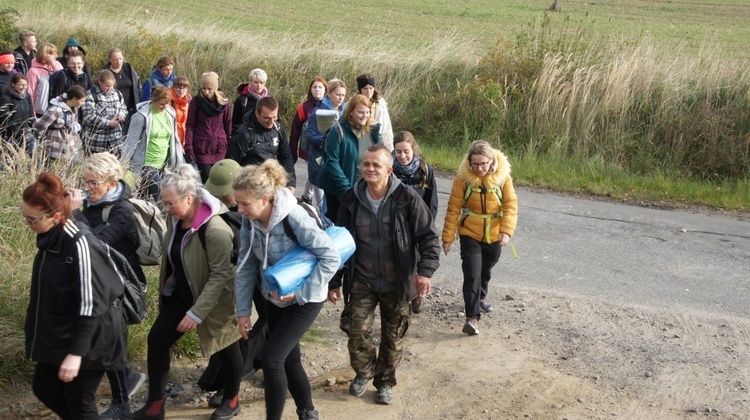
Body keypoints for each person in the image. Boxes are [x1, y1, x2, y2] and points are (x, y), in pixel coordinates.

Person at [328, 144, 440, 405]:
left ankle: (385, 383)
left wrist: (424, 272)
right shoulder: (350, 199)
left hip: (397, 282)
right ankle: (364, 372)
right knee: (355, 329)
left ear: (389, 170)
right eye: (366, 164)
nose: (369, 169)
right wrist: (333, 280)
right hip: (362, 279)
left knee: (393, 336)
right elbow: (337, 244)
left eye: (376, 165)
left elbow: (429, 238)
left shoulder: (408, 199)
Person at [131, 164, 242, 420]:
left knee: (226, 345)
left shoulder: (214, 229)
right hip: (183, 294)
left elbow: (221, 275)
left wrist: (197, 312)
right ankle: (155, 406)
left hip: (220, 298)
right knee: (157, 340)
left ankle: (232, 399)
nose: (166, 209)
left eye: (171, 204)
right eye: (164, 203)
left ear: (189, 198)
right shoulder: (176, 220)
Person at [234, 159, 340, 420]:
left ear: (265, 198)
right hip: (274, 295)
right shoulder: (250, 220)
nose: (239, 209)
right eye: (238, 202)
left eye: (244, 203)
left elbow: (331, 257)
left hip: (306, 299)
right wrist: (243, 310)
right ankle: (307, 411)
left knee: (271, 358)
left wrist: (302, 293)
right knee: (289, 358)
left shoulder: (295, 218)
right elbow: (246, 266)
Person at [22, 172, 127, 419]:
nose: (28, 224)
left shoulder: (79, 243)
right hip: (64, 331)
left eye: (32, 219)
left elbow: (93, 304)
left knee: (79, 401)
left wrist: (76, 354)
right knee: (45, 389)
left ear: (56, 216)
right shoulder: (49, 238)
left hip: (94, 334)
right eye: (25, 216)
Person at [67, 152, 147, 418]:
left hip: (123, 288)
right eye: (85, 182)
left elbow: (95, 246)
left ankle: (122, 400)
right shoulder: (94, 204)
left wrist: (76, 213)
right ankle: (124, 391)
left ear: (112, 182)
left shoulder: (122, 210)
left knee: (110, 342)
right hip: (103, 285)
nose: (88, 188)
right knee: (108, 342)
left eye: (93, 183)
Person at [199, 158, 267, 408]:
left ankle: (234, 380)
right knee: (242, 330)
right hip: (246, 277)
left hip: (265, 277)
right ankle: (228, 379)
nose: (228, 200)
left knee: (255, 329)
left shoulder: (251, 207)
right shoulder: (226, 213)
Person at [441, 140, 518, 335]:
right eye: (475, 164)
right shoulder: (462, 179)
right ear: (469, 163)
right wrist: (448, 238)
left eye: (483, 163)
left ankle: (482, 296)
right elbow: (453, 209)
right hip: (470, 233)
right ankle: (472, 318)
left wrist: (506, 231)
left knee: (487, 266)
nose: (480, 168)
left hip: (494, 233)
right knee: (472, 273)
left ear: (492, 161)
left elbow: (510, 205)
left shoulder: (503, 178)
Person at [391, 131, 438, 314]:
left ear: (413, 150)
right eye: (398, 152)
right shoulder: (390, 171)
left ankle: (419, 295)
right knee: (401, 264)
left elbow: (431, 203)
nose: (402, 156)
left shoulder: (425, 171)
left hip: (419, 226)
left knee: (419, 262)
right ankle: (402, 299)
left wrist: (427, 226)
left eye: (406, 151)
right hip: (396, 226)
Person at [316, 93, 381, 221]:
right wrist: (347, 190)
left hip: (363, 188)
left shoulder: (372, 131)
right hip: (338, 190)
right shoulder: (337, 131)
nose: (365, 116)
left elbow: (379, 157)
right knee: (339, 225)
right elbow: (332, 163)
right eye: (361, 112)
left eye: (367, 112)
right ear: (351, 112)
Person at [122, 86, 184, 202]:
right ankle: (167, 218)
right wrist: (124, 163)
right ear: (153, 101)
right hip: (147, 164)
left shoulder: (170, 113)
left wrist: (179, 156)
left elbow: (174, 138)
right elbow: (130, 141)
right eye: (161, 104)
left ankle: (141, 217)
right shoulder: (141, 116)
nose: (164, 107)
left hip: (163, 164)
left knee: (142, 198)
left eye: (166, 104)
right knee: (162, 197)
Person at [227, 96, 296, 191]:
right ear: (257, 114)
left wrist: (291, 183)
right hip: (250, 184)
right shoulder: (243, 135)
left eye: (274, 117)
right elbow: (232, 164)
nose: (271, 122)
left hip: (271, 181)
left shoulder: (278, 129)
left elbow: (286, 156)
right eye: (267, 118)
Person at [184, 71, 232, 183]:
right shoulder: (196, 102)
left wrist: (230, 145)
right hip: (202, 148)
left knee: (219, 182)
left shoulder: (225, 104)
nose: (206, 92)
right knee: (207, 182)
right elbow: (190, 125)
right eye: (204, 88)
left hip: (220, 148)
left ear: (215, 88)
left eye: (209, 89)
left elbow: (228, 124)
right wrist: (189, 146)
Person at [32, 85, 86, 164]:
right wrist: (40, 139)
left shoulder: (74, 109)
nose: (83, 103)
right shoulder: (56, 110)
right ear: (74, 99)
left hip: (68, 151)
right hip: (53, 151)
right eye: (82, 101)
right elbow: (39, 125)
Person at [81, 69, 127, 156]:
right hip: (96, 143)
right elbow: (88, 117)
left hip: (115, 142)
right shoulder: (91, 95)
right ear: (99, 82)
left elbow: (123, 107)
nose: (109, 88)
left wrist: (121, 115)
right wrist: (108, 123)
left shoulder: (117, 94)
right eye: (107, 86)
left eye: (112, 86)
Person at [289, 76, 327, 163]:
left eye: (320, 87)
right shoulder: (303, 107)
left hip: (327, 150)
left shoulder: (331, 106)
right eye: (314, 87)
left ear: (325, 90)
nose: (317, 89)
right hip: (309, 150)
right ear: (311, 90)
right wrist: (292, 152)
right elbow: (295, 132)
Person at [104, 48, 141, 132]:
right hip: (115, 109)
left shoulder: (128, 68)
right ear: (109, 59)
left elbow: (137, 85)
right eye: (115, 60)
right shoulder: (106, 72)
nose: (118, 62)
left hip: (131, 107)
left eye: (120, 59)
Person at [356, 73, 394, 151]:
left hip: (376, 140)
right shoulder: (354, 104)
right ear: (360, 90)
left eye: (371, 88)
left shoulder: (380, 105)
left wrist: (390, 150)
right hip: (360, 139)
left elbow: (386, 128)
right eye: (365, 88)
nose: (368, 91)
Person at [0, 74, 34, 153]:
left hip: (26, 132)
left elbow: (31, 114)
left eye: (25, 85)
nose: (23, 87)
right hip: (11, 135)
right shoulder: (5, 98)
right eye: (20, 85)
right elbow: (5, 119)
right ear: (13, 84)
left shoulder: (27, 96)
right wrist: (18, 131)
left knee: (35, 157)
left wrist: (34, 127)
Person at [26, 42, 63, 115]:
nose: (56, 56)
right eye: (53, 54)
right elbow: (30, 93)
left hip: (57, 108)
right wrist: (32, 113)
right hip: (41, 110)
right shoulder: (33, 71)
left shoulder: (57, 64)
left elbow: (63, 77)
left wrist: (53, 65)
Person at [232, 68, 268, 132]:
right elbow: (235, 123)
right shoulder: (242, 100)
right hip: (246, 137)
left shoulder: (269, 99)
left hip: (265, 137)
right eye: (256, 82)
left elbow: (276, 121)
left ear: (265, 83)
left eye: (261, 82)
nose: (259, 85)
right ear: (250, 82)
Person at [169, 76, 191, 148]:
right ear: (173, 88)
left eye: (184, 88)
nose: (181, 90)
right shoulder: (168, 100)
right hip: (172, 138)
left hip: (186, 139)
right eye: (178, 88)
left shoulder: (189, 100)